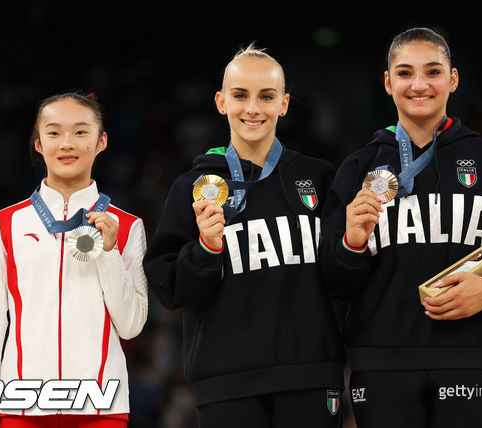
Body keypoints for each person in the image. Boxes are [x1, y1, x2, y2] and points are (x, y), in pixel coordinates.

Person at [319, 28, 482, 428]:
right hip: (382, 366)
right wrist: (351, 244)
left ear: (453, 79)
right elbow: (332, 283)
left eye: (432, 71)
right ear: (387, 82)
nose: (418, 84)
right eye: (405, 73)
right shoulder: (357, 170)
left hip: (476, 361)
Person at [143, 44, 344, 428]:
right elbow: (172, 291)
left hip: (311, 377)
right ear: (221, 102)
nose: (253, 108)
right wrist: (205, 249)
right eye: (240, 95)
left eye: (266, 96)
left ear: (284, 104)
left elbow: (342, 276)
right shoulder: (193, 187)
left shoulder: (318, 178)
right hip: (226, 383)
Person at [0, 92, 148, 428]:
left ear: (101, 141)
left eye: (80, 132)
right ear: (37, 143)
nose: (67, 143)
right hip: (21, 407)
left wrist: (108, 254)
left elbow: (131, 325)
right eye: (53, 132)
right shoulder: (5, 224)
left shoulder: (127, 226)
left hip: (101, 407)